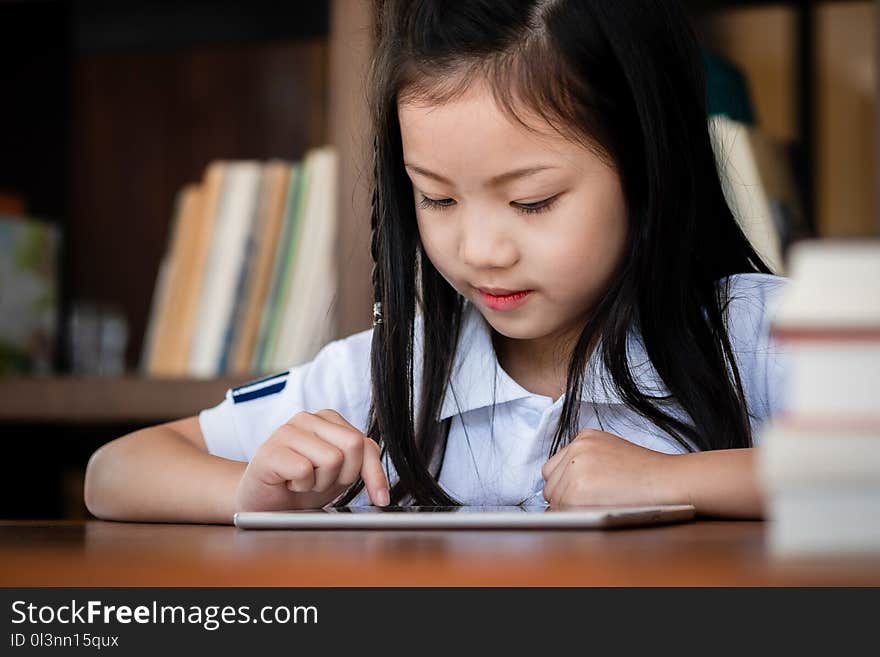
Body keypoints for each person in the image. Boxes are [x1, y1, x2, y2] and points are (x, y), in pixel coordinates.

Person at [84, 0, 789, 524]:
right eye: (437, 198)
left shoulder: (757, 333)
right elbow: (114, 471)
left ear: (648, 168)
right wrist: (252, 496)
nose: (480, 251)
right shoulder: (390, 374)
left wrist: (678, 479)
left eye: (533, 201)